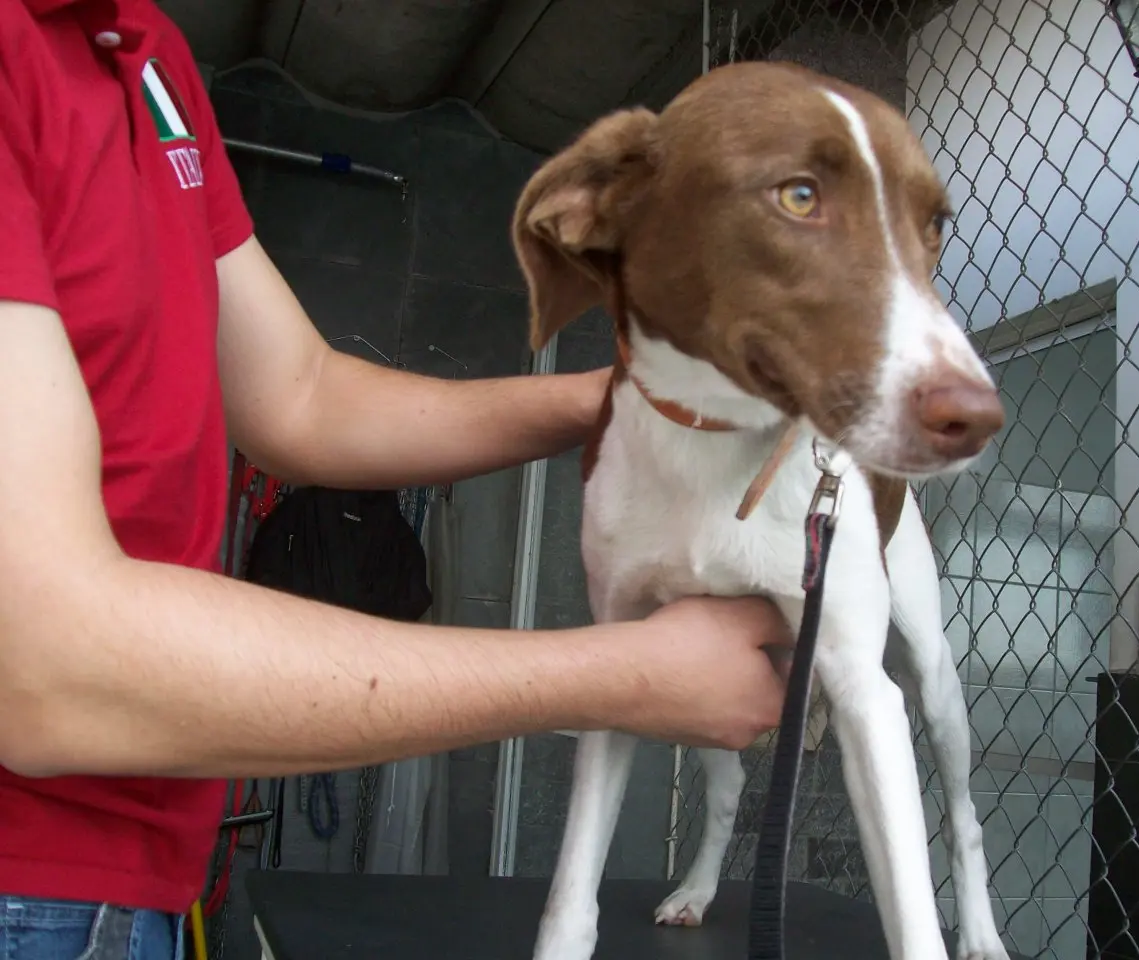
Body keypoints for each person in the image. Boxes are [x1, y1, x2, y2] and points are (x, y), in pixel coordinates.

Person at [0, 2, 793, 957]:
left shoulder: (143, 48)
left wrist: (618, 399)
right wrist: (625, 675)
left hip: (136, 888)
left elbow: (299, 395)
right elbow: (43, 669)